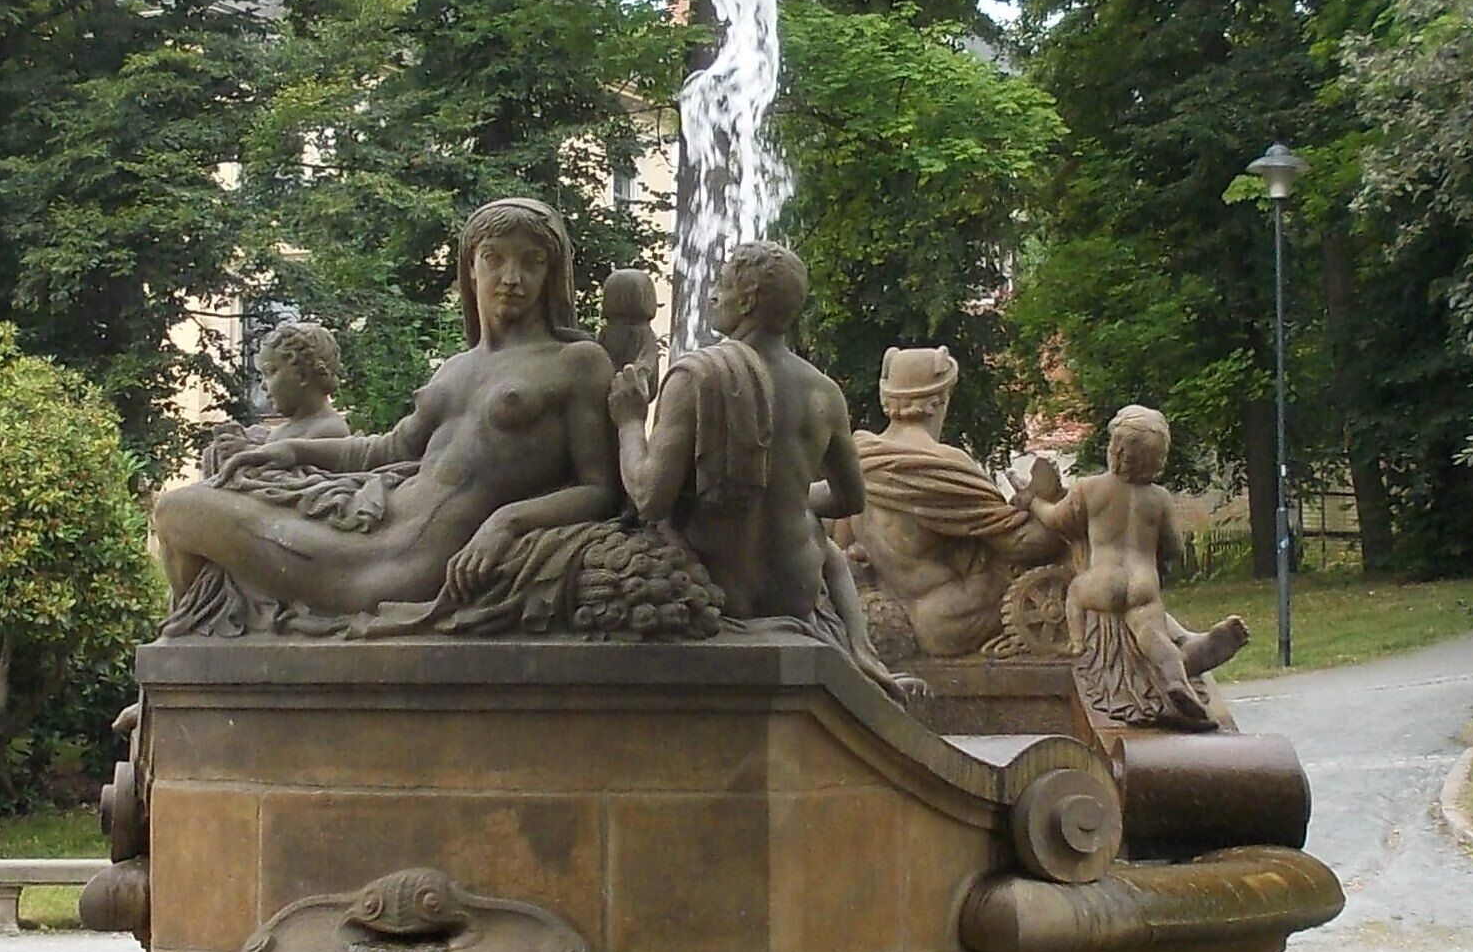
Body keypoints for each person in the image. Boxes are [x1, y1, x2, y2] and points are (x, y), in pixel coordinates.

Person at [153, 199, 621, 630]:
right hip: (363, 527)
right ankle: (180, 666)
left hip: (394, 566)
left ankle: (178, 676)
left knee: (179, 511)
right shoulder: (458, 368)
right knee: (208, 494)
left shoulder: (577, 362)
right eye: (494, 258)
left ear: (552, 274)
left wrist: (507, 521)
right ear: (471, 270)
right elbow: (387, 449)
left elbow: (600, 491)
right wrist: (288, 449)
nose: (512, 277)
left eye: (531, 261)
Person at [614, 241, 915, 693]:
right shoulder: (823, 392)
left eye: (722, 285)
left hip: (716, 591)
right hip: (793, 595)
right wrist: (790, 494)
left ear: (748, 300)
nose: (713, 296)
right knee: (820, 539)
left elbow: (647, 497)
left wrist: (630, 421)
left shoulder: (693, 377)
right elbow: (850, 498)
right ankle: (860, 648)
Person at [838, 346, 1077, 659]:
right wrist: (1047, 500)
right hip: (952, 619)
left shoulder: (859, 459)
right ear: (939, 400)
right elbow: (1023, 544)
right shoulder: (942, 463)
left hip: (904, 609)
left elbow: (843, 545)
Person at [1024, 405, 1251, 728]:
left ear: (1115, 449)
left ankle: (1076, 642)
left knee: (1075, 591)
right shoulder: (1158, 498)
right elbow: (1174, 547)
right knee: (1154, 637)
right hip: (1143, 584)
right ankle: (1178, 680)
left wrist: (1032, 501)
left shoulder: (1091, 488)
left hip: (1102, 582)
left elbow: (1057, 520)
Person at [199, 320, 352, 478]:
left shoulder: (330, 429)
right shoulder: (279, 432)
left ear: (301, 375)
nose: (264, 386)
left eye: (271, 372)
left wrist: (247, 453)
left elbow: (295, 483)